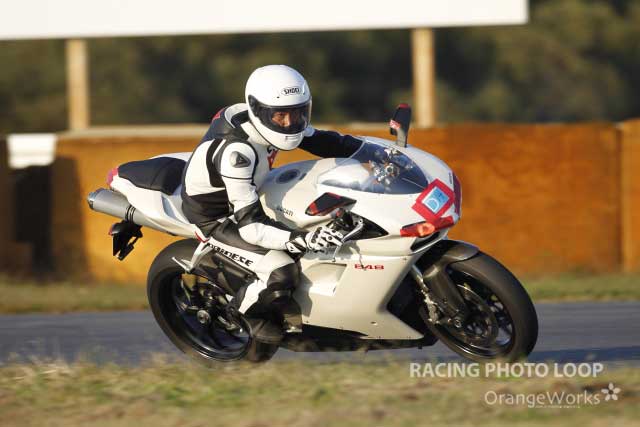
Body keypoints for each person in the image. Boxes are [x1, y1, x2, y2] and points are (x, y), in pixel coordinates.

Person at [180, 65, 363, 344]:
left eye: (297, 113)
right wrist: (303, 239)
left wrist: (380, 152)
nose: (290, 123)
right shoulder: (237, 153)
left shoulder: (270, 121)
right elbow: (251, 227)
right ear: (258, 110)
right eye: (281, 115)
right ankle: (241, 315)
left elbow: (328, 142)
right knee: (281, 270)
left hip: (250, 191)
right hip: (218, 216)